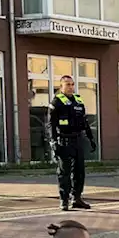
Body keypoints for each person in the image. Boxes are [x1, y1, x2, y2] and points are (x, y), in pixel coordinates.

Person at [49, 74, 96, 210]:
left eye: (72, 84)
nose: (70, 87)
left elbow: (84, 122)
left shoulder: (78, 101)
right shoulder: (56, 102)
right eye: (67, 84)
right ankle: (64, 200)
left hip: (78, 139)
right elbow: (50, 124)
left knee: (79, 171)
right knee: (64, 172)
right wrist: (53, 142)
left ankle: (77, 198)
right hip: (63, 140)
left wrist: (90, 138)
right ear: (61, 86)